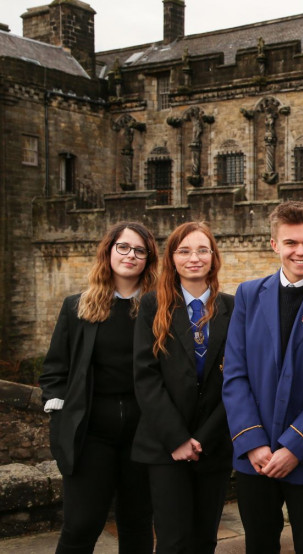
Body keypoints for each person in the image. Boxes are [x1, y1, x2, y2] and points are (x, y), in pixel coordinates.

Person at [222, 201, 303, 553]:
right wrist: (252, 442)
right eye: (290, 243)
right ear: (274, 244)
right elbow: (235, 373)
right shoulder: (247, 295)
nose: (300, 251)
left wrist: (295, 446)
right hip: (254, 457)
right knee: (259, 544)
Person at [39, 221, 158, 553]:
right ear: (109, 251)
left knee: (137, 524)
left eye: (139, 250)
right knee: (81, 525)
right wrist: (58, 408)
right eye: (123, 247)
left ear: (148, 259)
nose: (130, 256)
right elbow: (54, 369)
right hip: (91, 432)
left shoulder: (159, 308)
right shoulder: (77, 306)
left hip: (143, 432)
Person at [132, 222, 234, 553]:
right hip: (165, 445)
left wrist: (204, 437)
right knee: (173, 540)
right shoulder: (151, 306)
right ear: (172, 258)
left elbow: (235, 380)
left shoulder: (233, 308)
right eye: (184, 250)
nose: (194, 257)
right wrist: (177, 438)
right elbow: (146, 376)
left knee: (205, 539)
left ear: (214, 256)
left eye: (203, 249)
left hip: (213, 442)